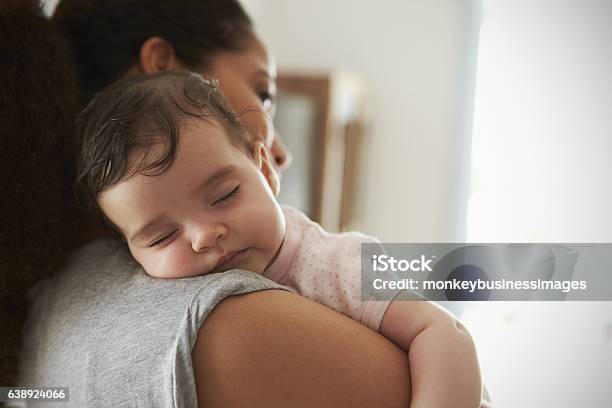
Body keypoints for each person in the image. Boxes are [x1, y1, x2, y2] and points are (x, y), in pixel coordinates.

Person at [13, 0, 416, 406]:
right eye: (263, 93)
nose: (282, 153)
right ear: (164, 67)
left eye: (224, 195)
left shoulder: (43, 310)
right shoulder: (231, 324)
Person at [76, 71, 483, 408]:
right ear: (129, 251)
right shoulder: (170, 301)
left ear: (266, 171)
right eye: (164, 237)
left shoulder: (337, 261)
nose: (204, 236)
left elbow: (445, 334)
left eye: (224, 196)